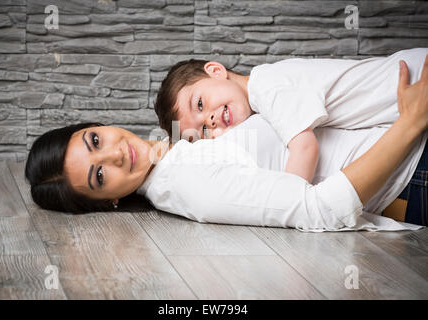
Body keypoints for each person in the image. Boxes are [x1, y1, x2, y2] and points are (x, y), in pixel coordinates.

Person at [24, 56, 428, 231]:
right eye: (99, 175)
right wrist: (410, 124)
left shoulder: (177, 143)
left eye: (95, 140)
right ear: (107, 200)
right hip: (414, 165)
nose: (114, 153)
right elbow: (317, 210)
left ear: (98, 124)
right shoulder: (187, 184)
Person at [154, 48, 428, 184]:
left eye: (200, 104)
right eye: (203, 131)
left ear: (215, 70)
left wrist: (287, 203)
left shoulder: (267, 86)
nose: (210, 122)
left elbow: (306, 149)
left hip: (415, 80)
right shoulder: (264, 94)